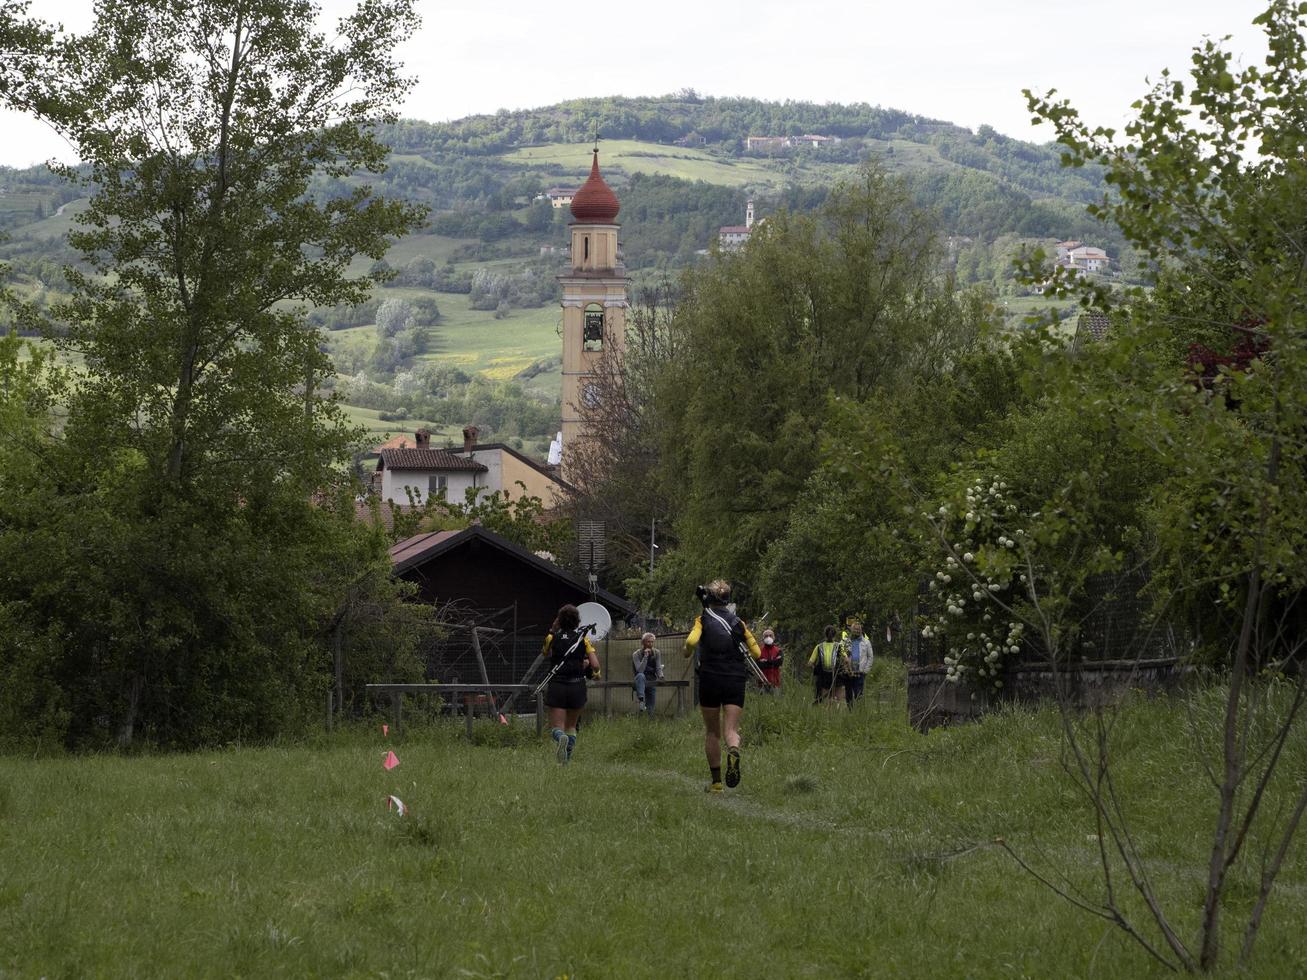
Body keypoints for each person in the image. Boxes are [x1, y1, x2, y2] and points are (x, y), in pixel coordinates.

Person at [684, 579, 762, 793]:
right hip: (735, 678)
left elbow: (691, 642)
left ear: (709, 597)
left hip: (710, 677)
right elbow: (757, 653)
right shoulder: (739, 623)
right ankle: (734, 749)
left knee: (712, 732)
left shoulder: (702, 620)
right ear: (728, 599)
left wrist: (687, 651)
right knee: (731, 730)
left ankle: (717, 783)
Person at [540, 604, 601, 764]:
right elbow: (595, 665)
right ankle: (566, 761)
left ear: (559, 620)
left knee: (557, 727)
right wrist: (589, 666)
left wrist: (553, 629)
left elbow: (545, 652)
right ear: (577, 622)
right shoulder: (583, 639)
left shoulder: (552, 638)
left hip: (558, 685)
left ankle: (560, 738)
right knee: (571, 726)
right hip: (577, 686)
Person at [809, 625, 849, 705]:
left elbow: (810, 663)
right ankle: (836, 715)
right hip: (837, 676)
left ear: (825, 634)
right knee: (838, 700)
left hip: (823, 677)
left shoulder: (819, 646)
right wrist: (844, 668)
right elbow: (846, 660)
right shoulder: (839, 646)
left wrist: (816, 670)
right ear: (835, 635)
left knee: (825, 700)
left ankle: (826, 715)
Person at [632, 632, 663, 714]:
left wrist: (661, 676)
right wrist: (645, 657)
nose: (650, 644)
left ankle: (649, 721)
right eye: (648, 642)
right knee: (641, 675)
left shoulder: (657, 653)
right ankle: (641, 700)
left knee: (651, 708)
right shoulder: (636, 654)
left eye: (652, 642)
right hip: (640, 680)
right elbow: (640, 670)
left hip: (651, 679)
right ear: (643, 643)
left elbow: (658, 667)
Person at [844, 621, 873, 704]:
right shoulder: (846, 641)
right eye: (855, 629)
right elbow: (841, 654)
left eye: (858, 629)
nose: (857, 631)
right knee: (848, 693)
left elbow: (870, 657)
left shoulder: (866, 642)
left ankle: (859, 712)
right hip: (848, 672)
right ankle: (850, 711)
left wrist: (865, 671)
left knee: (859, 694)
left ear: (861, 630)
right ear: (851, 630)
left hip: (860, 672)